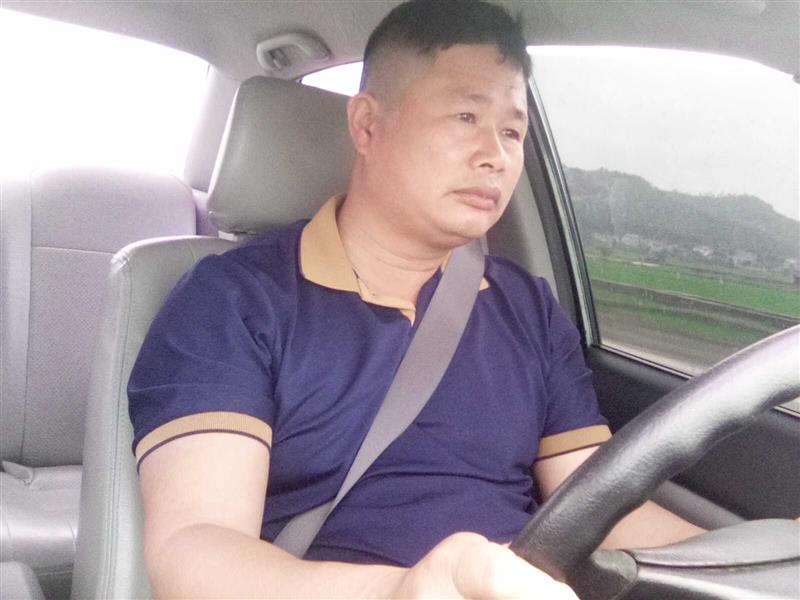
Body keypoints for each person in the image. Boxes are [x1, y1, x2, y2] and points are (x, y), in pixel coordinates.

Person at [128, 1, 704, 597]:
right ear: (367, 126)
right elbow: (195, 549)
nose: (496, 154)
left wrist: (745, 555)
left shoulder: (529, 309)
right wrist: (405, 589)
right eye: (465, 116)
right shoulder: (233, 301)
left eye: (512, 132)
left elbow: (598, 505)